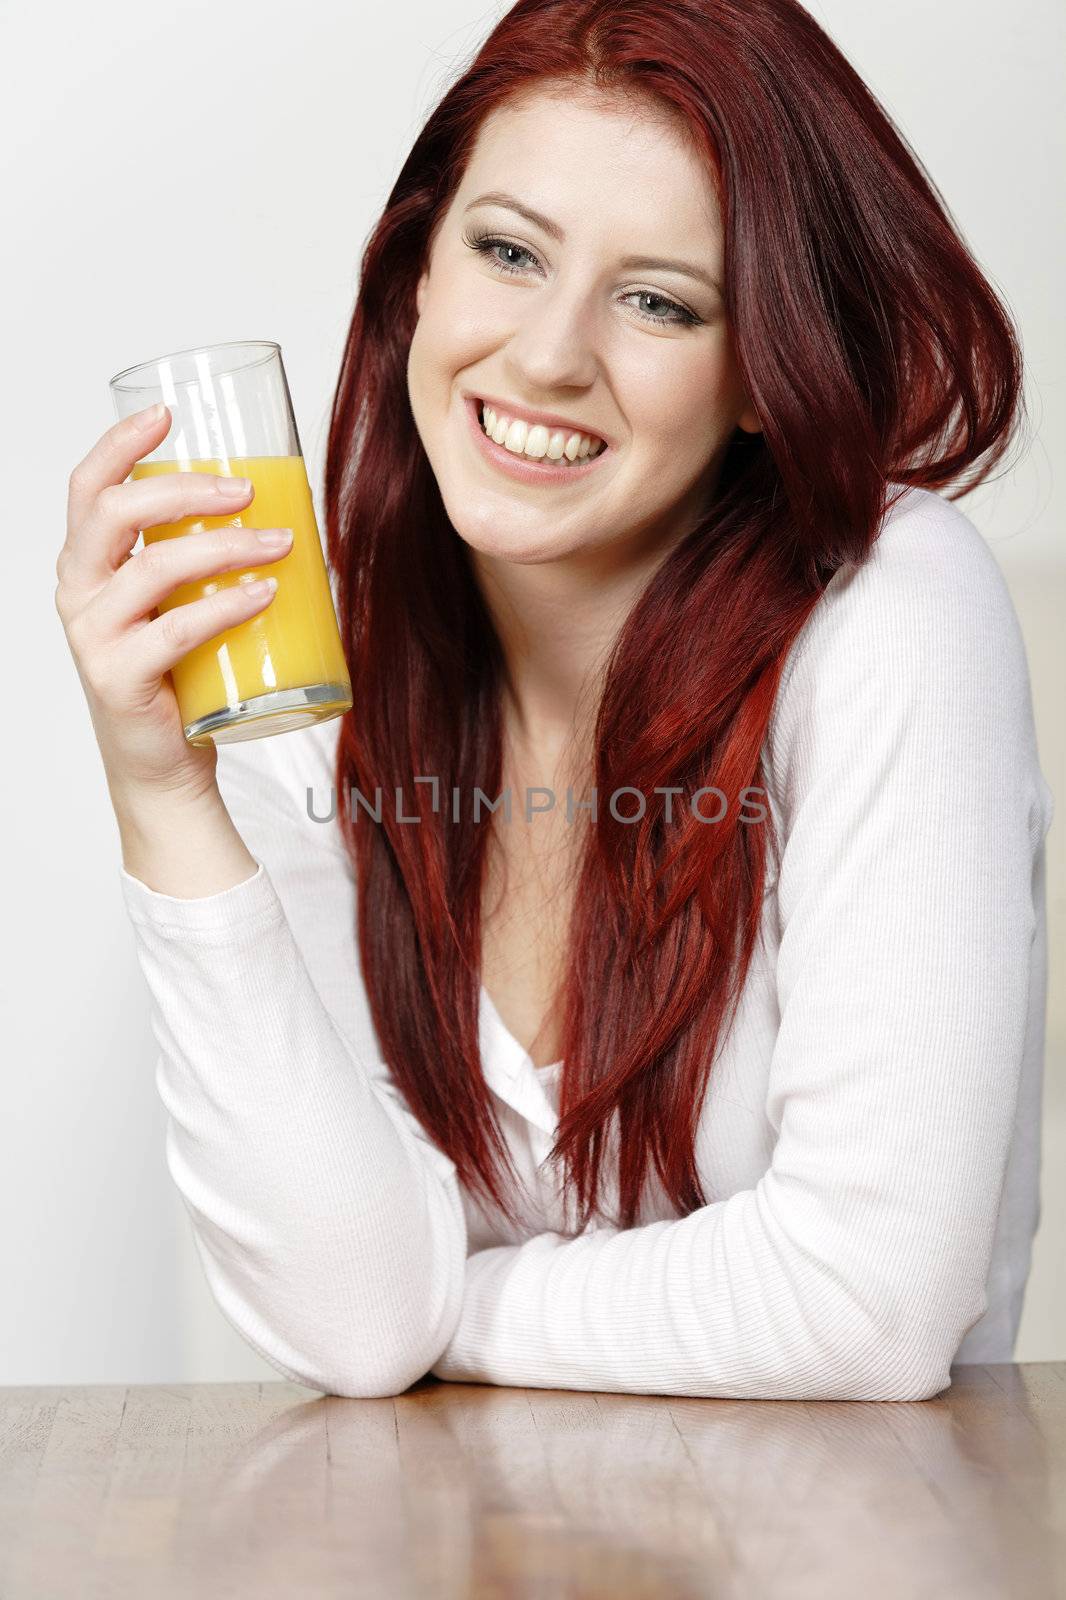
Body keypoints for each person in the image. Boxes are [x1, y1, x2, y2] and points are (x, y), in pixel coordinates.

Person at [55, 0, 1054, 1402]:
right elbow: (352, 1320)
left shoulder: (891, 608)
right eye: (507, 252)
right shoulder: (309, 683)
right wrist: (161, 797)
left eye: (657, 300)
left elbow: (868, 1301)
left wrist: (449, 1316)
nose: (544, 357)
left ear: (763, 370)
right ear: (417, 271)